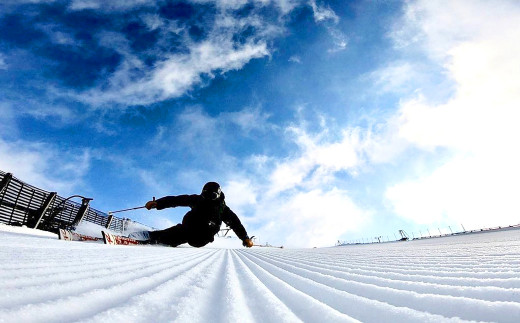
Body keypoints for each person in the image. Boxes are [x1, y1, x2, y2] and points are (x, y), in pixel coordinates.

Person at [131, 182, 254, 248]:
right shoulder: (197, 199)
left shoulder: (223, 209)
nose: (209, 199)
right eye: (206, 196)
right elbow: (176, 200)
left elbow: (236, 224)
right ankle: (154, 236)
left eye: (212, 196)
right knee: (183, 231)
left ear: (218, 196)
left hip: (203, 236)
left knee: (189, 234)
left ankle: (159, 237)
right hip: (190, 224)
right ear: (202, 194)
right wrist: (157, 203)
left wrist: (245, 238)